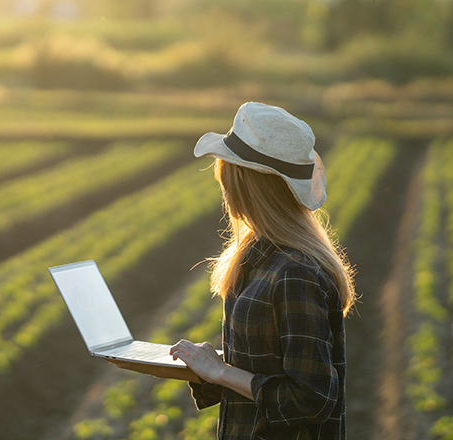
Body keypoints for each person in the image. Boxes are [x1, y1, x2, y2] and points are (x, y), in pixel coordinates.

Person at [108, 102, 355, 440]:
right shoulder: (259, 255)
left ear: (242, 182)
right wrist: (203, 367)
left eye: (224, 172)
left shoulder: (294, 273)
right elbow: (269, 368)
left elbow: (311, 398)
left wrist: (221, 371)